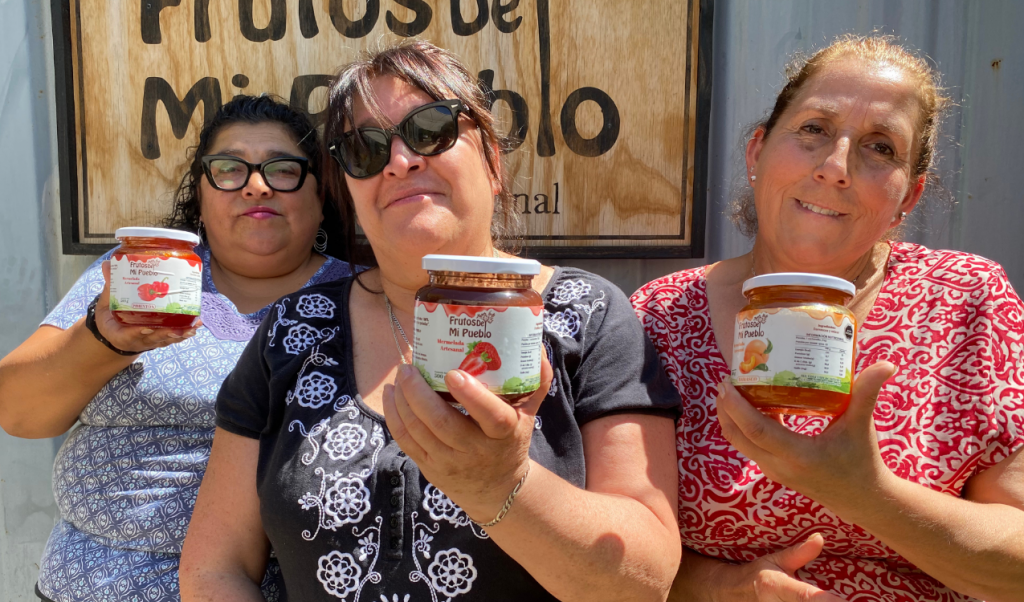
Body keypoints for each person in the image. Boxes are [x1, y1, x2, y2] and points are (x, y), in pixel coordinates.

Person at [179, 40, 682, 602]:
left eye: (430, 129)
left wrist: (503, 487)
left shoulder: (587, 315)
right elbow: (214, 570)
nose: (400, 160)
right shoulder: (294, 330)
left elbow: (645, 580)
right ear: (349, 190)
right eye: (366, 149)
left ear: (492, 161)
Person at [632, 35, 1024, 602]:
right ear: (757, 151)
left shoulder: (965, 299)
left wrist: (868, 494)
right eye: (814, 129)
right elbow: (619, 549)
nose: (836, 167)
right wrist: (724, 587)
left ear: (908, 197)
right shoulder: (662, 315)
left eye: (880, 147)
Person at [0, 95, 356, 602]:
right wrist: (102, 339)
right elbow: (17, 412)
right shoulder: (140, 270)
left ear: (322, 197)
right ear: (201, 198)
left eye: (283, 170)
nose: (256, 185)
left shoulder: (359, 298)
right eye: (229, 169)